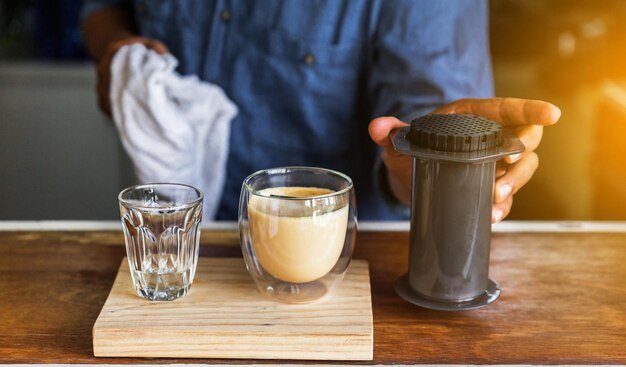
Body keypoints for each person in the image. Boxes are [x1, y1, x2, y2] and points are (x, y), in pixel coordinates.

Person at [82, 0, 560, 221]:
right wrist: (120, 54)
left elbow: (418, 124)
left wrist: (433, 164)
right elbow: (104, 9)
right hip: (178, 238)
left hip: (339, 270)